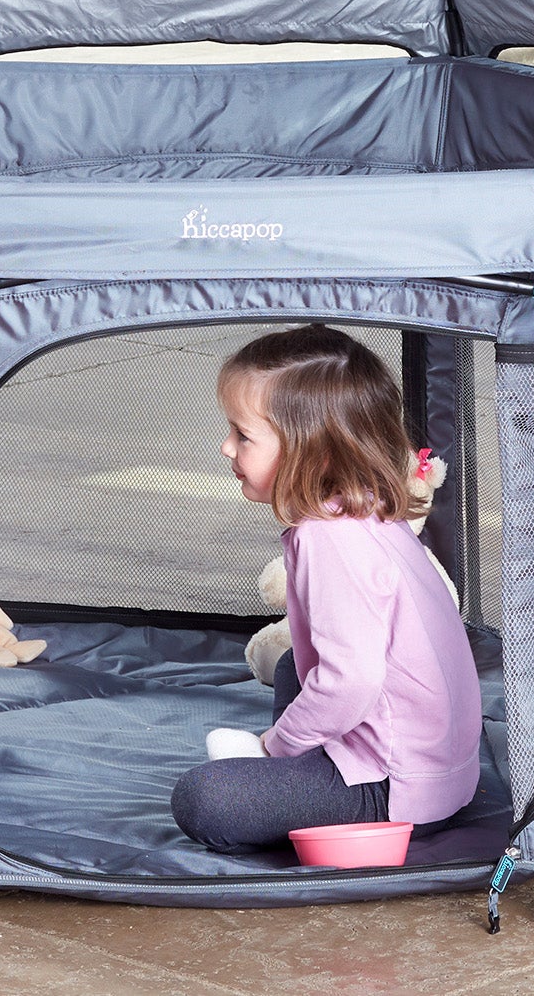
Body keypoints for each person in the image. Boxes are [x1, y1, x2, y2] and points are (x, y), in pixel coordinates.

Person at [171, 325, 482, 852]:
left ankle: (295, 777)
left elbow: (352, 681)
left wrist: (276, 748)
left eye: (243, 435)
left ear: (311, 454)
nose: (226, 447)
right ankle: (305, 773)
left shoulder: (329, 539)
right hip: (438, 767)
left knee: (203, 799)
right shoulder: (362, 508)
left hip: (394, 788)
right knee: (292, 665)